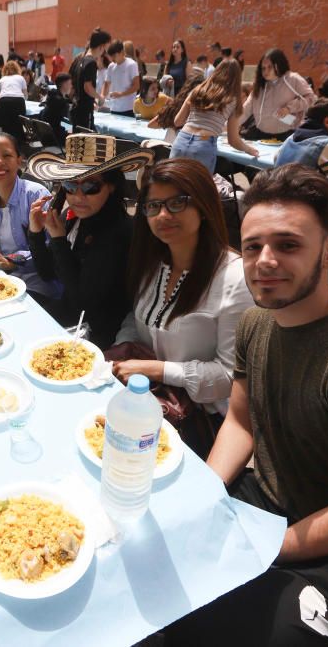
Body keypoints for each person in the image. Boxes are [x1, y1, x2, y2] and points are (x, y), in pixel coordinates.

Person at [165, 163, 328, 646]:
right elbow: (242, 422)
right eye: (252, 247)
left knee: (213, 631)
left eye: (288, 245)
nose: (264, 261)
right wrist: (202, 494)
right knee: (159, 572)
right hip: (267, 504)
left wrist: (264, 550)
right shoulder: (256, 323)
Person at [113, 158, 253, 456]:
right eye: (153, 206)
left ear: (202, 206)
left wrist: (157, 370)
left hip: (198, 420)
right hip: (144, 397)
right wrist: (122, 351)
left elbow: (229, 377)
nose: (163, 215)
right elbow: (136, 319)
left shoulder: (233, 278)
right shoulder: (153, 263)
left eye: (177, 202)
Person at [24, 134, 154, 348]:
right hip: (70, 318)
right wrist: (36, 232)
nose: (78, 196)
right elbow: (47, 273)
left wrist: (58, 241)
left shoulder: (118, 231)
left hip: (95, 336)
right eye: (69, 185)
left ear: (112, 186)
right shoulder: (77, 219)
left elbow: (84, 303)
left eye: (90, 187)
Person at [0, 133, 61, 302]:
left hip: (40, 285)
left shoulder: (36, 195)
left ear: (19, 160)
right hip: (5, 282)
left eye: (7, 155)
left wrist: (11, 261)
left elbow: (49, 249)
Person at [170, 60, 259, 172]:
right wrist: (249, 149)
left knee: (173, 186)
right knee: (198, 188)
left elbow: (177, 121)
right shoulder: (233, 100)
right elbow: (233, 140)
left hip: (181, 140)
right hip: (203, 145)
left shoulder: (197, 90)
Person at [241, 48, 316, 140]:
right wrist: (228, 126)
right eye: (263, 68)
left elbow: (310, 98)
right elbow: (245, 110)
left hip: (287, 134)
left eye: (270, 67)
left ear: (279, 65)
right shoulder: (260, 85)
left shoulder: (292, 79)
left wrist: (289, 108)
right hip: (261, 134)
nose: (266, 71)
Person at [70, 28, 112, 130]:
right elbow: (87, 87)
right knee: (86, 142)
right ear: (101, 47)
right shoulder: (91, 62)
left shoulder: (81, 60)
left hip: (77, 108)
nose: (104, 53)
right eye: (105, 49)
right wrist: (100, 97)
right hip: (85, 111)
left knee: (78, 141)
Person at [150, 75, 204, 143]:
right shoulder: (201, 112)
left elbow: (151, 124)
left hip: (168, 147)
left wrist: (169, 123)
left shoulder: (173, 106)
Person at [102, 40, 140, 117]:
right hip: (113, 108)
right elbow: (106, 83)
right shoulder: (111, 66)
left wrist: (121, 94)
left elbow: (136, 86)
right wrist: (102, 96)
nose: (112, 59)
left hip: (128, 108)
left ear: (122, 52)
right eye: (111, 56)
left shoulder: (132, 64)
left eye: (114, 56)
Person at [0, 60, 28, 143]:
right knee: (18, 125)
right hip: (18, 101)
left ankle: (6, 143)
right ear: (17, 69)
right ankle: (19, 144)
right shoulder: (21, 78)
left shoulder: (2, 79)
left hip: (3, 101)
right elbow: (25, 94)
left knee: (6, 126)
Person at [40, 73, 72, 145]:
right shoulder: (62, 103)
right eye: (70, 83)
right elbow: (65, 122)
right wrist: (71, 133)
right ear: (64, 85)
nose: (71, 86)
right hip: (56, 139)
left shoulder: (50, 97)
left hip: (46, 137)